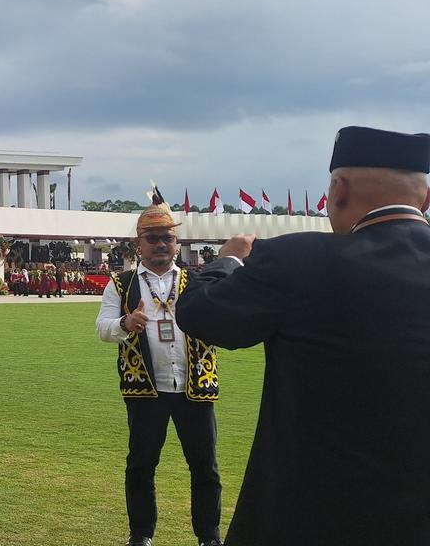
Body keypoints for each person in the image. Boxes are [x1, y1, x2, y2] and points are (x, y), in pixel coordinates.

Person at [176, 126, 430, 545]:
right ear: (426, 199)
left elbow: (202, 316)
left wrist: (227, 262)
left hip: (308, 518)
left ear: (338, 190)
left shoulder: (297, 259)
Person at [96, 196, 222, 546]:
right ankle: (141, 535)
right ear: (138, 244)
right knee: (141, 465)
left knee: (205, 467)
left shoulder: (198, 281)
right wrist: (126, 322)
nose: (161, 244)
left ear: (177, 242)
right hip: (145, 388)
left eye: (167, 237)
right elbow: (102, 328)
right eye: (152, 238)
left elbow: (223, 322)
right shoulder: (121, 284)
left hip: (195, 386)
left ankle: (209, 537)